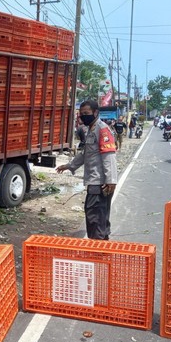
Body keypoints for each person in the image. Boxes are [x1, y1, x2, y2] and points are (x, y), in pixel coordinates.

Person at [56, 100, 118, 240]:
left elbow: (109, 156)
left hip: (100, 183)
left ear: (96, 113)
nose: (83, 116)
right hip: (95, 181)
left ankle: (98, 250)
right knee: (99, 217)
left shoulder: (102, 129)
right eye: (81, 114)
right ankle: (102, 247)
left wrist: (111, 180)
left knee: (94, 217)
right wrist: (69, 165)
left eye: (86, 113)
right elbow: (86, 154)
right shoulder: (90, 129)